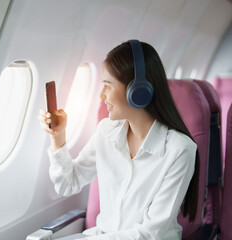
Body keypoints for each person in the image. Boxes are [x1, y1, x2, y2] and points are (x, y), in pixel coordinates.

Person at [38, 40, 199, 240]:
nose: (101, 95)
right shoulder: (107, 132)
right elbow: (68, 183)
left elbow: (150, 234)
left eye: (107, 86)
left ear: (137, 91)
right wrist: (57, 136)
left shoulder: (180, 150)